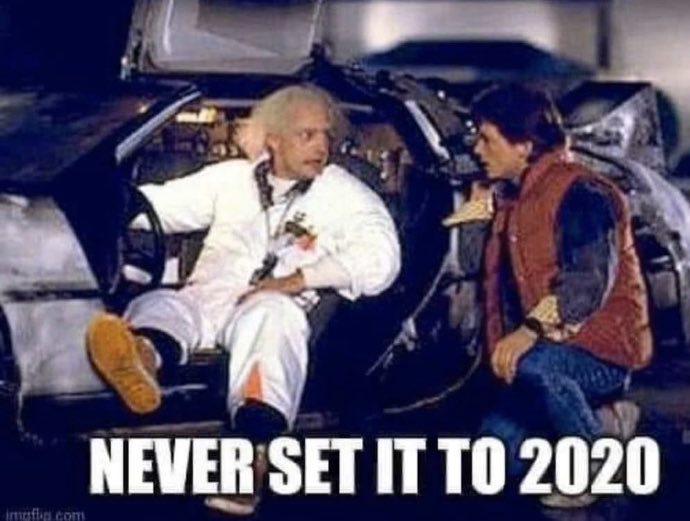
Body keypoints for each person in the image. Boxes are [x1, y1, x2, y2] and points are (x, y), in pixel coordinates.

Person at [85, 84, 401, 515]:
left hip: (272, 310)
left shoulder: (344, 193)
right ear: (274, 139)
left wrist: (295, 280)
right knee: (162, 305)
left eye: (325, 135)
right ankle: (141, 359)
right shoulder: (232, 178)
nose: (321, 147)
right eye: (307, 135)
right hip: (209, 298)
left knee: (270, 320)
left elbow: (382, 259)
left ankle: (253, 458)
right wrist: (96, 206)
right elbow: (156, 207)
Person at [469, 84, 652, 508]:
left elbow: (586, 283)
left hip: (601, 353)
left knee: (537, 366)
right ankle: (606, 421)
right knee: (493, 459)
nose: (478, 149)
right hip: (548, 352)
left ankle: (594, 464)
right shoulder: (515, 196)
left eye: (487, 139)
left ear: (524, 145)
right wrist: (475, 212)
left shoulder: (582, 193)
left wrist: (527, 332)